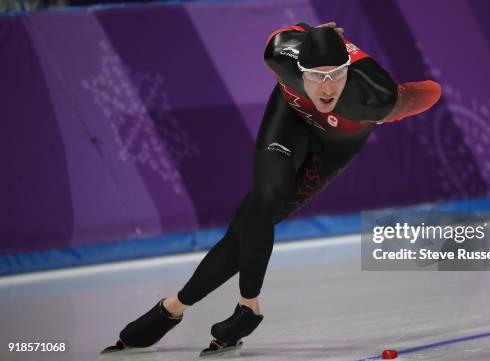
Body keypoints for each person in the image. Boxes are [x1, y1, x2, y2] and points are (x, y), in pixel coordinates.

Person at [102, 21, 441, 356]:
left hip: (335, 146)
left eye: (336, 75)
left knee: (249, 226)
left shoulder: (373, 95)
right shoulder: (279, 54)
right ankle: (248, 304)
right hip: (289, 120)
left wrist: (422, 93)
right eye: (316, 76)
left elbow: (426, 94)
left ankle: (175, 306)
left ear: (348, 69)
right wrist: (311, 33)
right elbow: (292, 32)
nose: (326, 88)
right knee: (263, 201)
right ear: (299, 67)